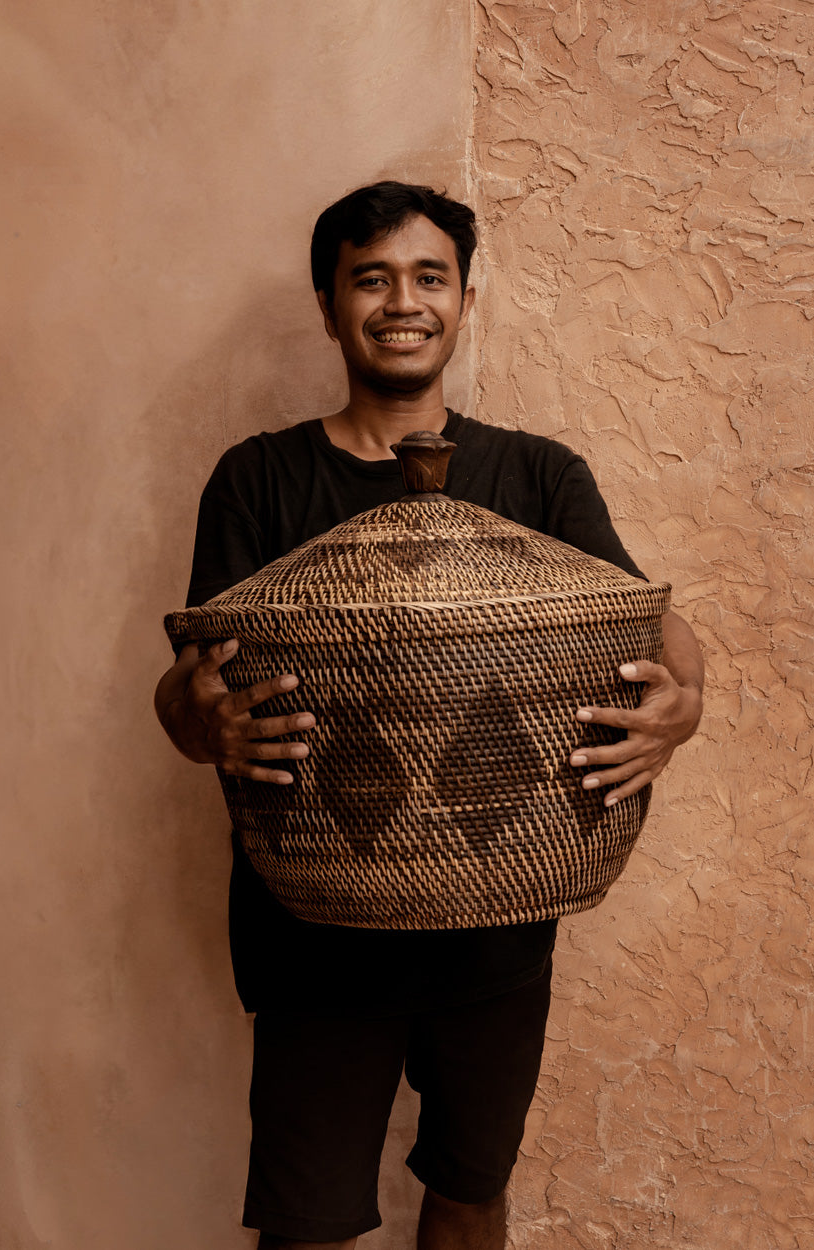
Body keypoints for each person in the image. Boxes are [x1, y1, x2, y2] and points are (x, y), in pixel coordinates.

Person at [155, 181, 704, 1250]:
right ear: (328, 305)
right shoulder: (259, 478)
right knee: (307, 1225)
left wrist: (679, 704)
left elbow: (648, 614)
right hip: (311, 932)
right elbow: (192, 673)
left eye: (427, 277)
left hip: (501, 930)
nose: (400, 301)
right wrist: (201, 722)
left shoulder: (535, 473)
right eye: (371, 277)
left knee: (468, 1199)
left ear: (461, 300)